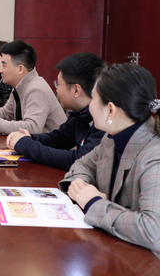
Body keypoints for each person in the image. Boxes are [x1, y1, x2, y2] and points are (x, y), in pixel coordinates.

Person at [59, 63, 160, 257]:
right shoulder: (112, 137)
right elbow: (83, 164)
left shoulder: (153, 157)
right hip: (115, 249)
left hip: (145, 262)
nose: (90, 105)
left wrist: (93, 202)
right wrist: (80, 184)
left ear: (111, 110)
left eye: (93, 98)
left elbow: (153, 231)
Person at [6, 53, 106, 170]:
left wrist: (26, 144)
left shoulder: (103, 120)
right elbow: (58, 139)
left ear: (76, 90)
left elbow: (78, 160)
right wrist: (29, 137)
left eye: (58, 84)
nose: (56, 89)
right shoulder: (81, 114)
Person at [0, 40, 66, 134]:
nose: (0, 70)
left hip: (51, 143)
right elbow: (7, 113)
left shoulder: (36, 89)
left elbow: (32, 127)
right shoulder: (20, 84)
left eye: (4, 65)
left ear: (20, 69)